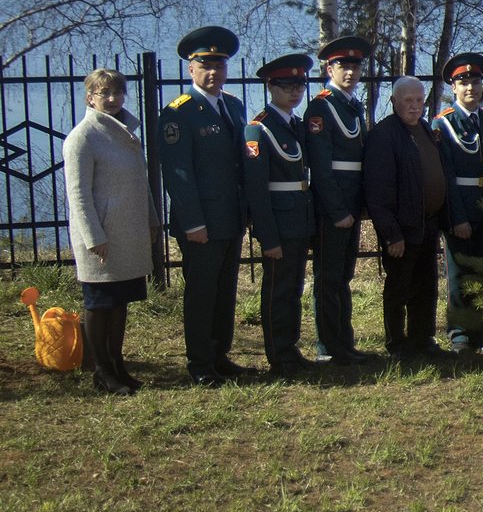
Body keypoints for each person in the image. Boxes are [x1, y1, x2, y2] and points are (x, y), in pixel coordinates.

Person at [158, 26, 253, 386]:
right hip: (200, 223)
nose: (213, 72)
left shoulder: (234, 105)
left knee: (225, 289)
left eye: (219, 65)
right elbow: (178, 173)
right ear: (190, 69)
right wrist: (193, 221)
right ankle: (199, 363)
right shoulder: (178, 113)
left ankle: (219, 354)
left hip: (230, 217)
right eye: (204, 65)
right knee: (201, 291)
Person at [64, 68, 159, 394]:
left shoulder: (125, 133)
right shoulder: (83, 137)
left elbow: (140, 181)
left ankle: (118, 364)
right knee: (99, 303)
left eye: (117, 92)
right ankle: (101, 371)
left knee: (120, 303)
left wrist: (151, 219)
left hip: (127, 234)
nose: (113, 98)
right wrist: (94, 238)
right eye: (104, 93)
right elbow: (78, 195)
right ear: (90, 97)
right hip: (103, 238)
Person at [243, 53, 319, 377]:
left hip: (299, 219)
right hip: (279, 223)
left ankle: (290, 347)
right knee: (277, 291)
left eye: (299, 85)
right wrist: (268, 236)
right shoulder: (258, 130)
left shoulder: (295, 126)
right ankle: (277, 355)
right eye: (287, 85)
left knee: (294, 289)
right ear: (270, 86)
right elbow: (257, 191)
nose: (295, 92)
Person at [302, 35, 374, 364]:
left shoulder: (352, 105)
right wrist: (337, 210)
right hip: (333, 207)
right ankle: (328, 346)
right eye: (343, 65)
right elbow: (320, 166)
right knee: (328, 278)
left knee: (343, 277)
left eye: (355, 66)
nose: (350, 72)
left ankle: (344, 343)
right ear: (329, 68)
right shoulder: (321, 107)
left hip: (351, 205)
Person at [364, 76, 447, 360]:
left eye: (419, 101)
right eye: (408, 101)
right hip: (402, 227)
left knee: (426, 287)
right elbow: (378, 190)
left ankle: (422, 339)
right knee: (399, 287)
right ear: (394, 102)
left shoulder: (425, 129)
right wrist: (391, 233)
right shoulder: (384, 135)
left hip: (428, 224)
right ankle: (397, 344)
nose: (414, 107)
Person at [432, 53, 483, 353]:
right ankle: (460, 333)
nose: (470, 88)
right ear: (454, 88)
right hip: (461, 208)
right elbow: (446, 176)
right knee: (460, 275)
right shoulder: (443, 124)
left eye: (475, 82)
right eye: (464, 83)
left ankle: (480, 333)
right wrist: (456, 217)